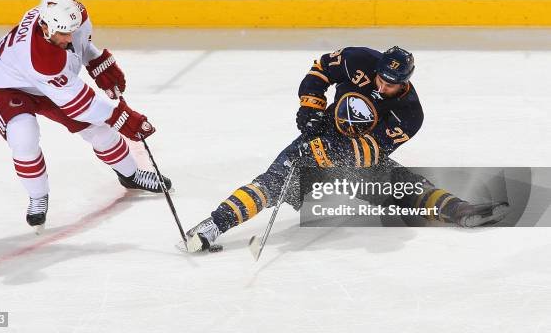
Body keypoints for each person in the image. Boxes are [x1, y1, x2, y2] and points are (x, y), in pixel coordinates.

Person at [185, 46, 509, 252]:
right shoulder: (358, 59)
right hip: (319, 136)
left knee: (404, 184)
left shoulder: (410, 113)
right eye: (381, 78)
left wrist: (327, 155)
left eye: (391, 84)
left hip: (353, 159)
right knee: (271, 184)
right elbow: (321, 69)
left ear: (405, 82)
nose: (383, 87)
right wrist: (311, 107)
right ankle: (214, 225)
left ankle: (459, 210)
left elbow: (371, 151)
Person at [0, 0, 171, 230]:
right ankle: (38, 196)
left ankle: (131, 175)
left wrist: (96, 61)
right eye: (63, 34)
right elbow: (81, 104)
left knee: (100, 132)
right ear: (46, 28)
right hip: (5, 85)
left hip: (48, 84)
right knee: (23, 137)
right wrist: (122, 117)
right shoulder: (40, 58)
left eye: (72, 31)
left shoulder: (70, 18)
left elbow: (82, 44)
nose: (69, 38)